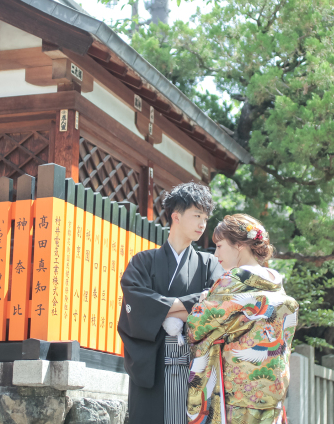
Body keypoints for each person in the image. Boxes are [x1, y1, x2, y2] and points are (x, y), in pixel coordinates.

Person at [118, 182, 224, 424]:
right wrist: (192, 303)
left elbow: (216, 306)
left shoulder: (209, 264)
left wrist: (162, 309)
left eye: (205, 218)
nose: (202, 224)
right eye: (197, 215)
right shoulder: (143, 262)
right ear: (176, 216)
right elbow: (136, 303)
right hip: (152, 362)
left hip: (194, 363)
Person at [182, 214, 299, 424]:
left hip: (237, 392)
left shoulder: (233, 281)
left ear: (239, 245)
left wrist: (204, 301)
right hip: (272, 391)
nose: (216, 254)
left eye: (219, 246)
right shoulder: (276, 285)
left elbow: (196, 326)